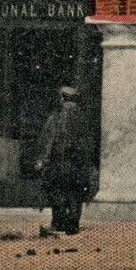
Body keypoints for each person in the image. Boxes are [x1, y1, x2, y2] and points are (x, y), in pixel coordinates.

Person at [34, 85, 90, 235]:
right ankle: (73, 224)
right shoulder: (83, 118)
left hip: (58, 164)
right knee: (75, 194)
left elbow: (48, 140)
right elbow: (88, 144)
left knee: (56, 192)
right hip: (77, 165)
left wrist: (42, 160)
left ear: (62, 98)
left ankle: (59, 223)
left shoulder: (56, 116)